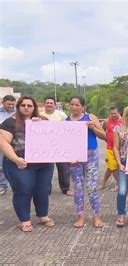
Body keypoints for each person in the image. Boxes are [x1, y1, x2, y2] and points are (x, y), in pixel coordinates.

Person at [0, 96, 55, 232]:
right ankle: (25, 219)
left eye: (29, 106)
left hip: (43, 164)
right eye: (23, 105)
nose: (26, 108)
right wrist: (16, 159)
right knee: (23, 190)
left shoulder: (43, 121)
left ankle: (43, 215)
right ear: (18, 106)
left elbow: (54, 139)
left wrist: (40, 125)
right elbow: (3, 143)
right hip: (19, 163)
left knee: (42, 190)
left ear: (34, 107)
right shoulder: (9, 123)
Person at [66, 96, 106, 228]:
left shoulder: (90, 117)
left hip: (91, 155)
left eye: (77, 105)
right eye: (72, 104)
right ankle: (80, 216)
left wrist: (93, 128)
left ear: (83, 106)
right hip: (74, 157)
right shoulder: (66, 121)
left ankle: (97, 216)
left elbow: (104, 136)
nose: (74, 107)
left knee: (92, 187)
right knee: (78, 188)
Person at [40, 97, 73, 196]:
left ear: (55, 105)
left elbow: (68, 128)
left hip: (60, 145)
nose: (49, 104)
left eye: (51, 103)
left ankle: (65, 188)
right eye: (47, 103)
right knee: (45, 169)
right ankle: (46, 189)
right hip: (45, 146)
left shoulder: (62, 115)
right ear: (44, 104)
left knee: (64, 169)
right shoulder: (39, 115)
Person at [100, 106, 122, 191]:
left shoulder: (123, 121)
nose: (113, 115)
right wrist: (107, 139)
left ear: (119, 112)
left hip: (120, 148)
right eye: (111, 113)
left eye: (115, 113)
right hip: (110, 148)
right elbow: (103, 131)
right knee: (113, 167)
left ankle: (103, 183)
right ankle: (120, 184)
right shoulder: (107, 121)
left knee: (110, 167)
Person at [0, 95, 16, 195]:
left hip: (10, 142)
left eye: (12, 104)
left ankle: (3, 185)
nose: (11, 106)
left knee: (3, 164)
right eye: (8, 104)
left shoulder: (17, 113)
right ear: (3, 102)